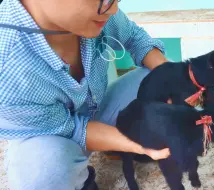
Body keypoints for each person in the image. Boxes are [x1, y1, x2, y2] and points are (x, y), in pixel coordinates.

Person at [0, 0, 171, 189]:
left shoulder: (98, 13)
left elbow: (135, 38)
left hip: (94, 110)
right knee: (44, 174)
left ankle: (116, 147)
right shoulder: (6, 69)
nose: (113, 9)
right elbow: (73, 129)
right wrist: (136, 143)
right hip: (51, 136)